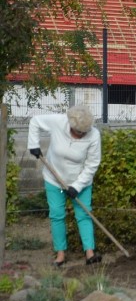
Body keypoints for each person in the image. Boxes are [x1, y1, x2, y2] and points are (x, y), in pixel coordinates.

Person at [27, 106, 102, 267]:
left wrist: (77, 186)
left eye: (84, 133)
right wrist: (33, 144)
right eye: (78, 132)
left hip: (80, 182)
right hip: (54, 178)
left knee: (84, 215)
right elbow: (35, 122)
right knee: (57, 215)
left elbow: (92, 164)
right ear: (70, 124)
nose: (81, 135)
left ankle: (90, 253)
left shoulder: (94, 135)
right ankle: (60, 254)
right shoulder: (59, 122)